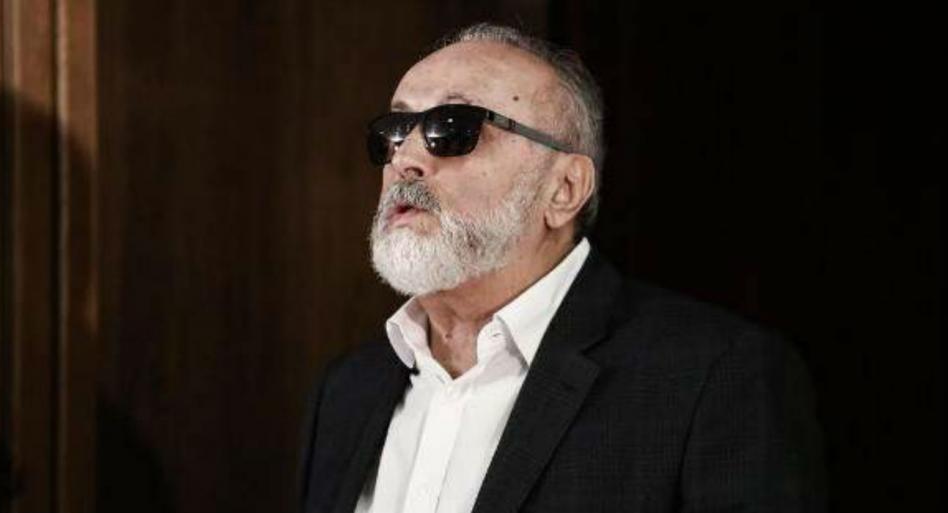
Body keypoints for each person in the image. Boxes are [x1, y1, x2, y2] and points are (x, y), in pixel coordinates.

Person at [298, 23, 825, 513]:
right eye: (395, 130)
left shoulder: (711, 376)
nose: (405, 159)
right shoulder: (348, 390)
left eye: (453, 129)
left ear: (565, 189)